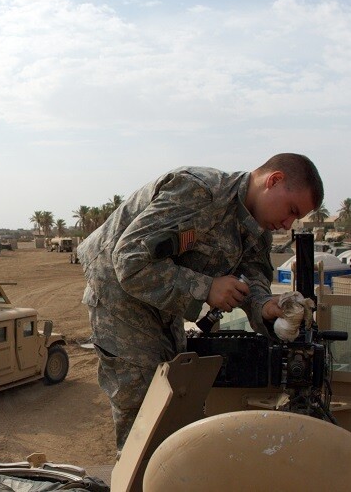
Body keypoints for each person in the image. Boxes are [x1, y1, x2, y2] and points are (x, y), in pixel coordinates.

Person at [76, 153, 323, 453]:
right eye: (291, 211)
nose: (287, 224)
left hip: (163, 302)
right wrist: (208, 288)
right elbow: (129, 260)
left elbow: (254, 277)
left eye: (295, 219)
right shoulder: (200, 192)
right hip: (118, 296)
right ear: (274, 180)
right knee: (143, 411)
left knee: (175, 395)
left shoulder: (257, 230)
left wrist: (265, 306)